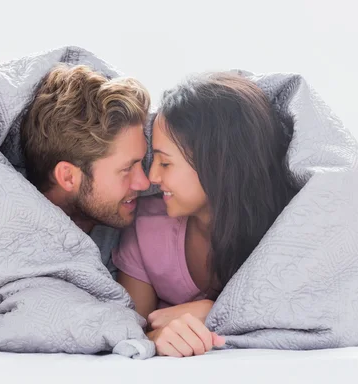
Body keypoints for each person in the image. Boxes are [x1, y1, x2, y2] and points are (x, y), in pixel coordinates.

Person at [112, 72, 297, 357]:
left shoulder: (284, 229)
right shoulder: (146, 227)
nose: (152, 176)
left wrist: (214, 313)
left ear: (217, 165)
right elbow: (132, 328)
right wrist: (159, 335)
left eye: (165, 162)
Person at [20, 64, 151, 270]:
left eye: (141, 162)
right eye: (127, 169)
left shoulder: (129, 229)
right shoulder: (23, 252)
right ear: (68, 177)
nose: (144, 183)